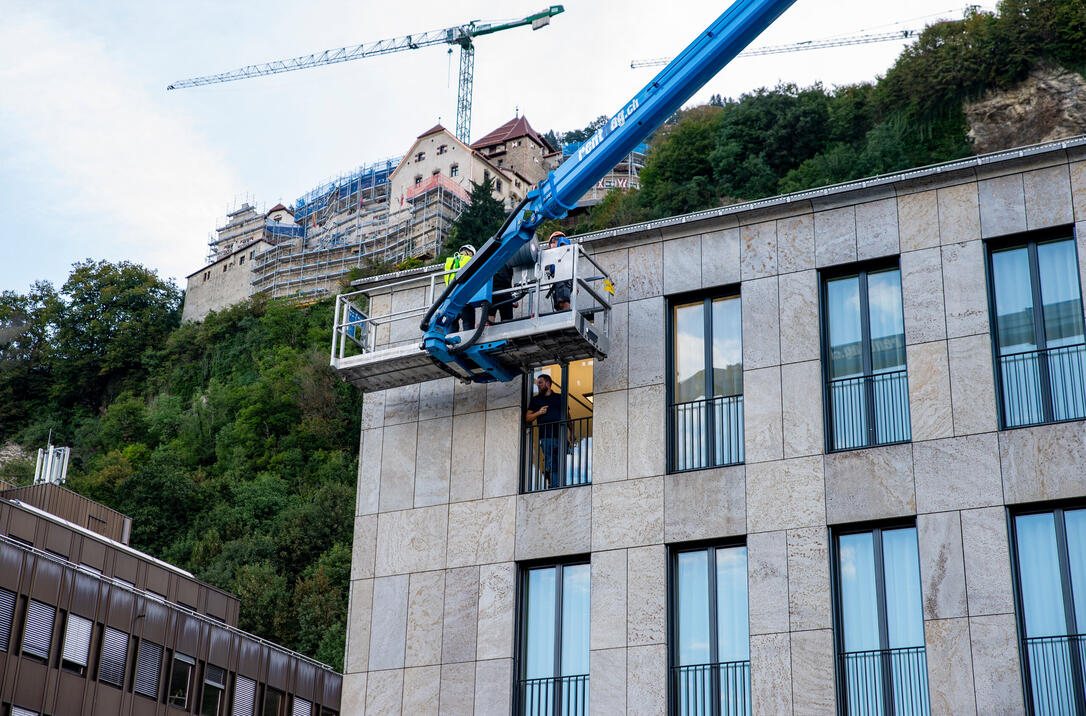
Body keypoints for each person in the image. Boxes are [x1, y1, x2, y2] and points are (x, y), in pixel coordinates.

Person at [525, 373, 565, 488]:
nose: (538, 386)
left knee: (558, 461)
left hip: (560, 435)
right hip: (546, 436)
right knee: (550, 461)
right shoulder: (536, 400)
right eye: (538, 384)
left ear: (548, 383)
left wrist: (571, 433)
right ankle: (554, 485)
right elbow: (527, 418)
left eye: (540, 383)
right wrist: (539, 412)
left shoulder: (559, 398)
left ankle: (556, 482)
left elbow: (567, 415)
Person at [443, 244, 477, 331]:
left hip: (451, 298)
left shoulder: (450, 262)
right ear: (470, 253)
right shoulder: (469, 260)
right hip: (464, 297)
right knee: (468, 323)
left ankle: (451, 342)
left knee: (452, 325)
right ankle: (469, 341)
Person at [545, 231, 573, 312]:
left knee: (563, 303)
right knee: (558, 306)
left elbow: (564, 247)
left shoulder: (563, 242)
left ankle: (566, 316)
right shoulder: (551, 256)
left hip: (563, 279)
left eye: (553, 242)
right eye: (552, 242)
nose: (551, 245)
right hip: (557, 281)